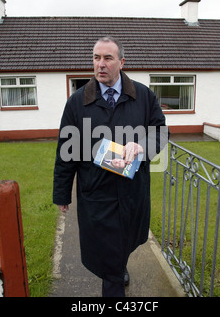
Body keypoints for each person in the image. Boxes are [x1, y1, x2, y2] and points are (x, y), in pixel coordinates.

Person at [53, 36, 167, 297]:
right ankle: (115, 276)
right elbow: (65, 151)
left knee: (125, 241)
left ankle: (117, 266)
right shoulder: (77, 101)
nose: (100, 64)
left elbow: (160, 131)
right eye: (96, 58)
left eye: (107, 58)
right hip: (97, 192)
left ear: (121, 62)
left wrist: (141, 146)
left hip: (132, 191)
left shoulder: (143, 95)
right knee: (106, 253)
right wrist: (61, 193)